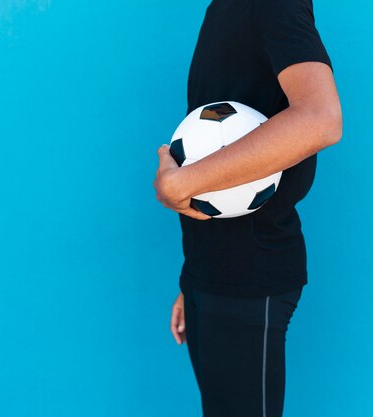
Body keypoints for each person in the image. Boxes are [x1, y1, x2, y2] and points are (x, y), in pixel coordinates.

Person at [152, 0, 342, 416]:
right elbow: (216, 142)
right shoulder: (223, 7)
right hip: (210, 273)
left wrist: (180, 184)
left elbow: (321, 118)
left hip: (250, 277)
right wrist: (192, 276)